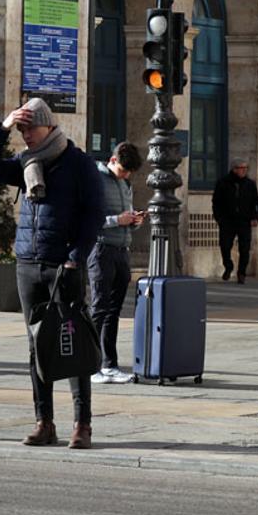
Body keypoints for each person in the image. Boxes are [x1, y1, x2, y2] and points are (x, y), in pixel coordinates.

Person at [0, 98, 104, 449]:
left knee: (73, 343)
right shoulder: (25, 163)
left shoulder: (79, 165)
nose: (26, 135)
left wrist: (75, 259)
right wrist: (2, 128)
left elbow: (94, 216)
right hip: (28, 265)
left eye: (29, 128)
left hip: (63, 266)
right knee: (37, 345)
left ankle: (82, 424)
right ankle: (44, 421)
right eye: (21, 130)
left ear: (48, 126)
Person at [88, 141, 144, 385]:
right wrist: (116, 220)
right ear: (112, 161)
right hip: (101, 249)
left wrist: (134, 220)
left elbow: (125, 213)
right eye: (123, 170)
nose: (126, 175)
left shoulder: (125, 182)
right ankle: (90, 366)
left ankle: (109, 364)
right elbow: (88, 217)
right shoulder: (95, 180)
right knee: (99, 308)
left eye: (129, 172)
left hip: (122, 249)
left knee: (114, 310)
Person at [212, 159, 258, 284]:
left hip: (244, 221)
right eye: (241, 168)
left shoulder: (250, 184)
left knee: (245, 249)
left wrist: (255, 217)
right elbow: (216, 202)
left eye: (246, 168)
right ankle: (228, 266)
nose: (244, 170)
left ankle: (242, 273)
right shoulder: (223, 183)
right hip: (227, 221)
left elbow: (256, 202)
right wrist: (219, 218)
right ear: (234, 169)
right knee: (225, 246)